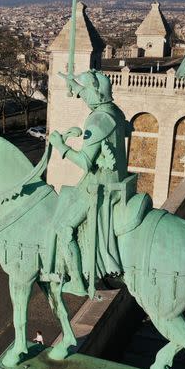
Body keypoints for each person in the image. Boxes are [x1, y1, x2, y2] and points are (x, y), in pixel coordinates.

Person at [48, 69, 129, 297]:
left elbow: (84, 161)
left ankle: (77, 283)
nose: (81, 97)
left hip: (101, 184)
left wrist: (60, 145)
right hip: (117, 178)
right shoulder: (115, 111)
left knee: (63, 228)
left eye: (84, 92)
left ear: (95, 93)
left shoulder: (98, 118)